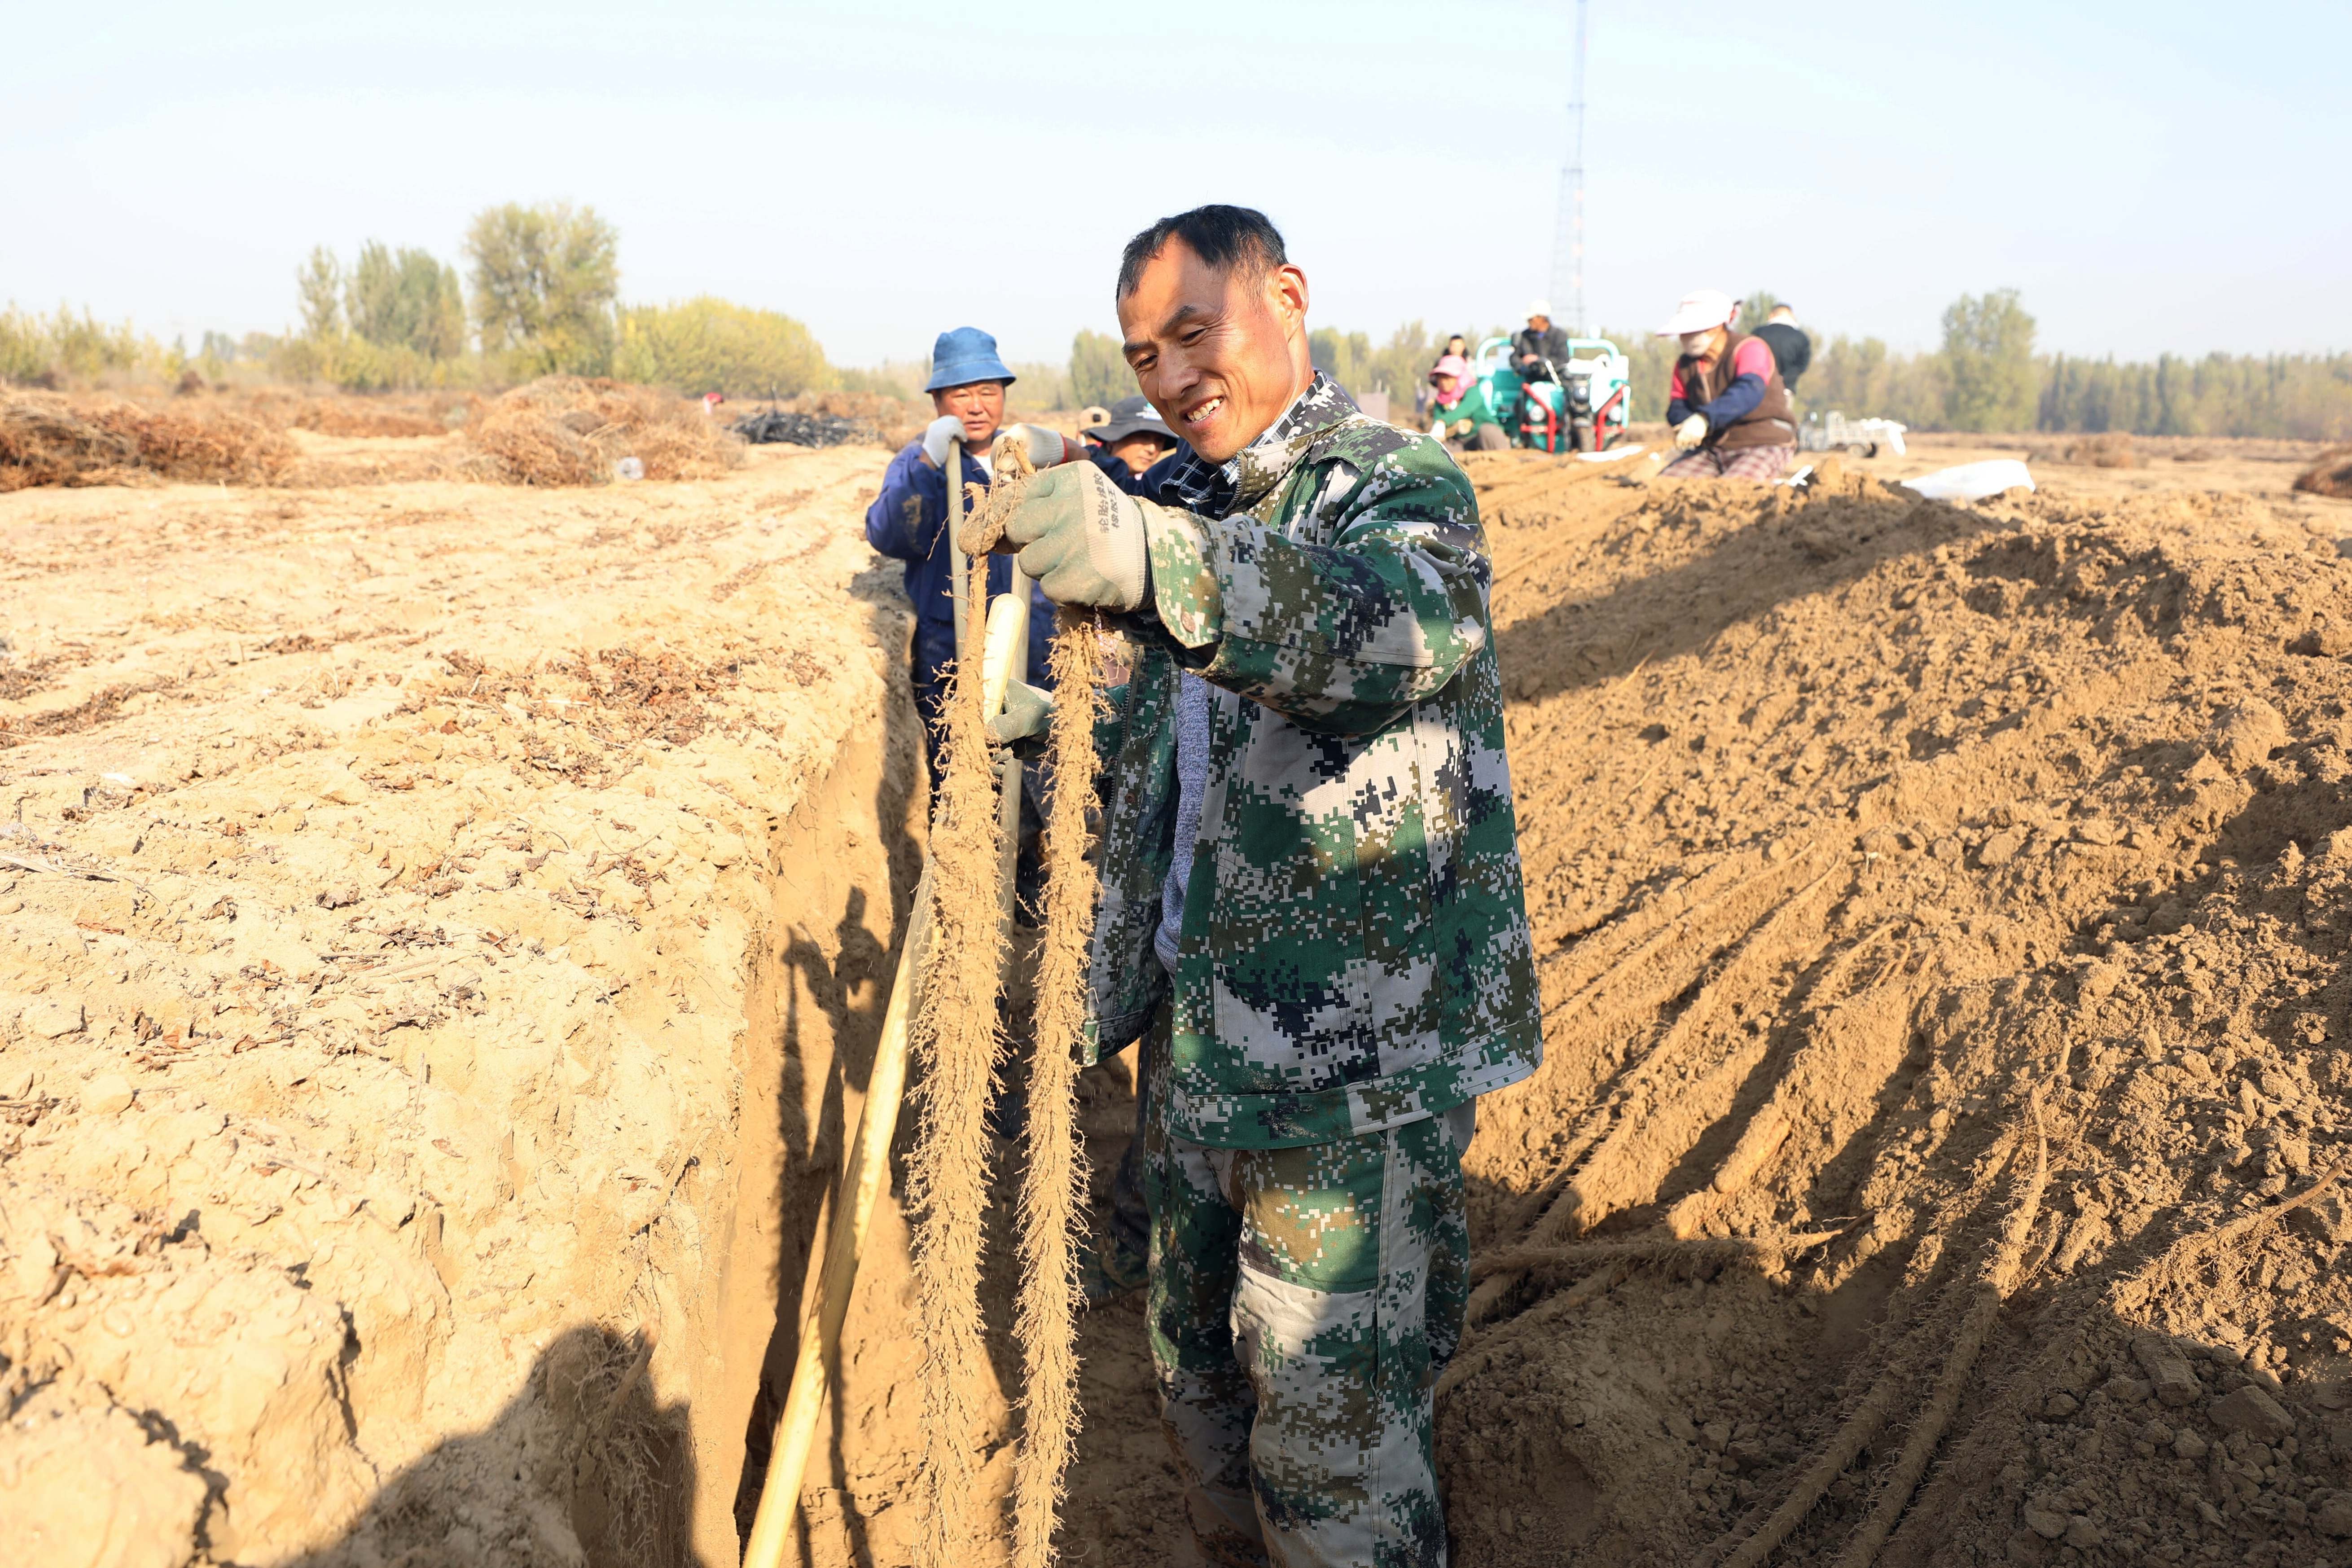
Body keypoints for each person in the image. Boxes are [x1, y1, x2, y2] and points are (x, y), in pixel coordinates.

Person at [987, 204, 1541, 1566]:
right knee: (1196, 1385)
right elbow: (1170, 751)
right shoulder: (1195, 494)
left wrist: (1150, 561)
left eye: (1195, 333)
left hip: (1348, 1068)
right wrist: (1049, 716)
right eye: (1143, 354)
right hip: (1199, 1044)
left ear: (1285, 299)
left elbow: (1386, 630)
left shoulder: (1394, 487)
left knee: (1329, 1452)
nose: (1173, 378)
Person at [862, 327, 1069, 792]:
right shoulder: (921, 461)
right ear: (937, 401)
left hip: (1028, 636)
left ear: (1002, 396)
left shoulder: (1024, 458)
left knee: (1031, 764)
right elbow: (887, 532)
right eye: (961, 393)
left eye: (987, 392)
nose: (976, 405)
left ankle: (1029, 853)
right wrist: (928, 461)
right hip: (949, 639)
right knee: (958, 766)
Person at [1655, 289, 1798, 481]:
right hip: (1713, 449)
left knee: (1733, 489)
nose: (1684, 339)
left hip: (1764, 442)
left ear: (1715, 328)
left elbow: (1748, 391)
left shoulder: (1750, 348)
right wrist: (1687, 422)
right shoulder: (1685, 366)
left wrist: (1704, 420)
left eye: (1690, 332)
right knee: (1665, 487)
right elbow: (1678, 405)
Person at [1084, 392, 1180, 480]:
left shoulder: (1157, 488)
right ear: (1113, 440)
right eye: (1143, 437)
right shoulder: (1086, 476)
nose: (1152, 450)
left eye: (1159, 441)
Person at [1427, 351, 1507, 452]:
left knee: (1488, 431)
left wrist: (1443, 422)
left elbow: (1467, 408)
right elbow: (1437, 424)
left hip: (1481, 436)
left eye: (1448, 378)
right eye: (1441, 378)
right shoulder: (1440, 401)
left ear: (1460, 378)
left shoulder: (1473, 391)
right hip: (1460, 442)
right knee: (1441, 450)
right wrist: (1449, 429)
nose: (1444, 382)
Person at [1754, 303, 1812, 394]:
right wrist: (1785, 378)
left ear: (1771, 315)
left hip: (1760, 387)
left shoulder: (1758, 333)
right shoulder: (1801, 337)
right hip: (1786, 389)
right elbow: (1802, 365)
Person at [1512, 300, 1568, 380]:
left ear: (1542, 318)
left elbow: (1563, 359)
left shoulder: (1559, 335)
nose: (1529, 321)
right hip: (1531, 380)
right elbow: (1515, 357)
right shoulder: (1525, 336)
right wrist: (1521, 365)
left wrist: (1539, 360)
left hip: (1555, 380)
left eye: (1532, 319)